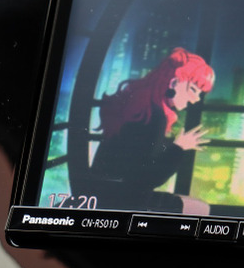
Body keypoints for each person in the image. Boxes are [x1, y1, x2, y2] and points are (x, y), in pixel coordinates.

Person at [85, 47, 215, 214]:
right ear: (174, 83)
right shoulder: (154, 116)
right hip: (122, 203)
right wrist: (179, 147)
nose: (195, 99)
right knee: (200, 209)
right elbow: (148, 179)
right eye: (193, 90)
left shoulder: (142, 107)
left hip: (105, 195)